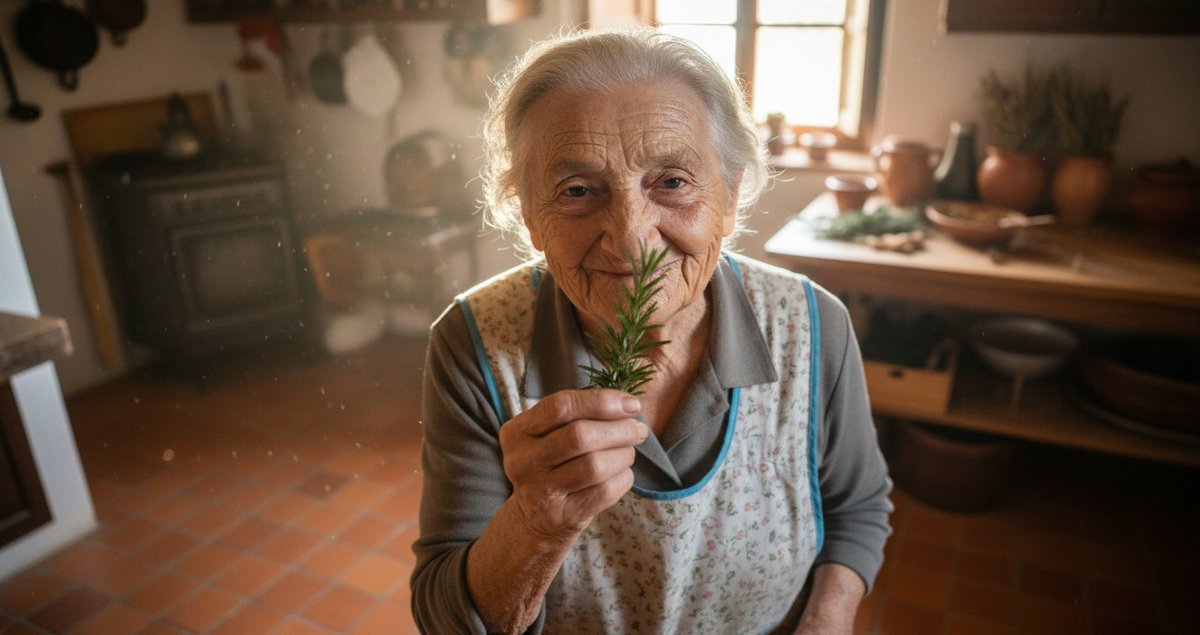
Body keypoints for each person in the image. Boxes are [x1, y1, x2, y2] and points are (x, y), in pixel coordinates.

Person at [412, 27, 892, 634]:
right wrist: (536, 524)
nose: (632, 238)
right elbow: (446, 617)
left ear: (731, 195)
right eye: (578, 191)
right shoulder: (474, 342)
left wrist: (829, 617)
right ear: (531, 216)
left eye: (672, 182)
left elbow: (857, 506)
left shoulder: (812, 324)